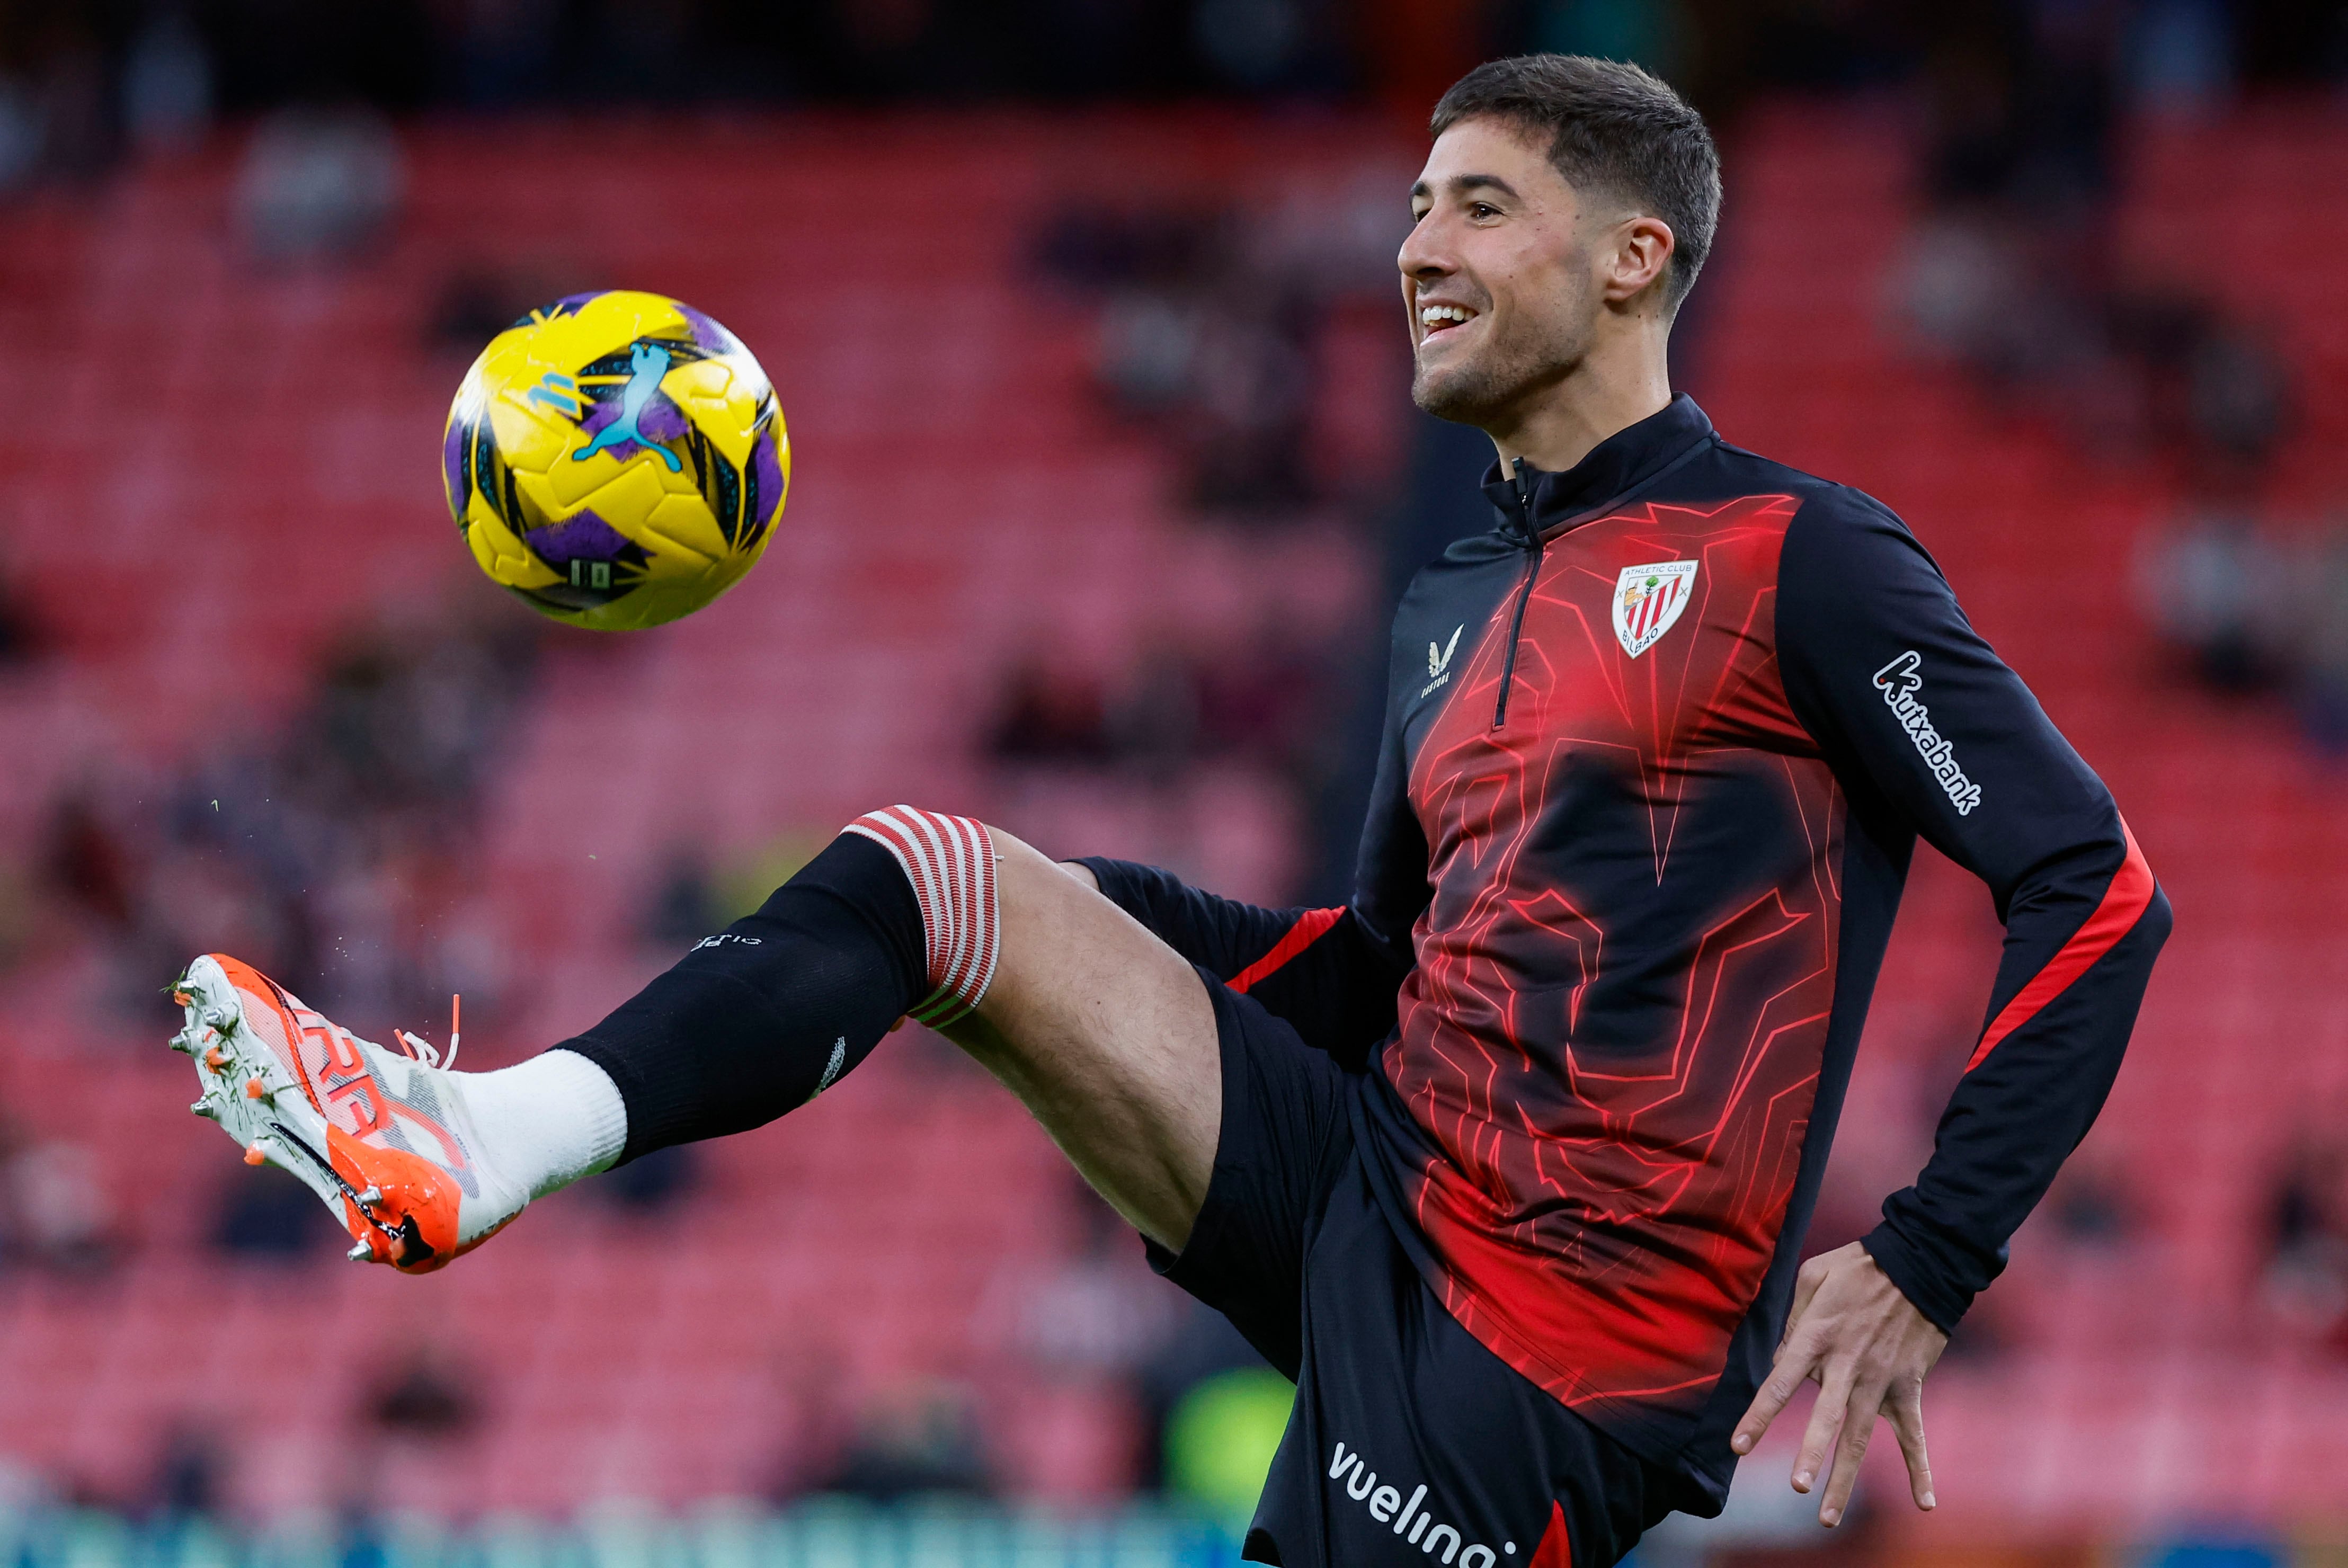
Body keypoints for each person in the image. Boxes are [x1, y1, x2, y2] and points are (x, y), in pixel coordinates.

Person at [167, 56, 2170, 1568]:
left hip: (1557, 1354)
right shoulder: (1453, 600)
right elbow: (1382, 978)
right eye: (1413, 204)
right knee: (929, 879)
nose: (1418, 250)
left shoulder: (1801, 558)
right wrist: (1072, 913)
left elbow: (2092, 893)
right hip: (1384, 1193)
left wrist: (1928, 1252)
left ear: (1638, 256)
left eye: (1479, 206)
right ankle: (476, 1138)